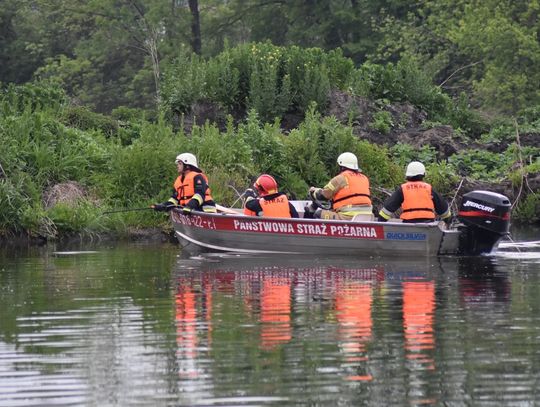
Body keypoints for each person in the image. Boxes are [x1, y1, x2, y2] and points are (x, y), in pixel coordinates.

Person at [305, 152, 374, 221]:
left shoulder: (341, 178)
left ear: (342, 166)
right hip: (367, 217)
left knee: (318, 214)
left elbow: (323, 195)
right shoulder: (364, 178)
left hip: (347, 216)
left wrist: (314, 191)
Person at [378, 161, 451, 223]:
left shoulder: (403, 189)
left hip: (409, 223)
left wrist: (380, 222)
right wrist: (448, 220)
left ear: (407, 175)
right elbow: (443, 209)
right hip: (428, 223)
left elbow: (388, 208)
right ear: (423, 174)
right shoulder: (428, 188)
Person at [152, 152, 216, 214]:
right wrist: (163, 206)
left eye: (180, 163)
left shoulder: (197, 177)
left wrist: (189, 206)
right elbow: (175, 199)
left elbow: (200, 195)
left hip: (205, 210)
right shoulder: (178, 180)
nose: (177, 166)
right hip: (190, 210)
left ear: (187, 166)